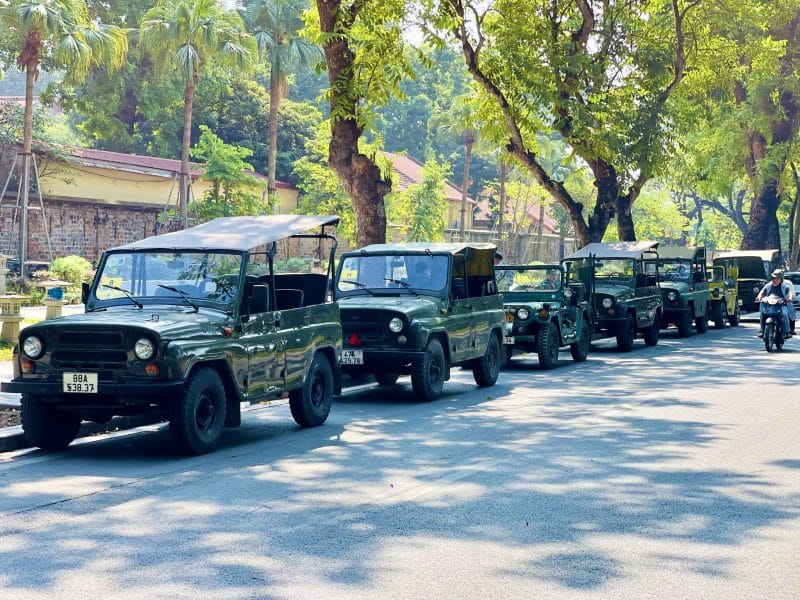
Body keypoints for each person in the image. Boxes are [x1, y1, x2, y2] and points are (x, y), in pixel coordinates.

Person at [756, 269, 794, 338]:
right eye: (773, 278)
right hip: (769, 305)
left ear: (781, 279)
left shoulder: (785, 287)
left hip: (781, 305)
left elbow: (789, 294)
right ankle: (762, 330)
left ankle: (787, 331)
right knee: (762, 314)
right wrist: (759, 297)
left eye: (777, 279)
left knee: (785, 314)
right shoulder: (768, 286)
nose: (775, 280)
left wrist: (789, 298)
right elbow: (762, 292)